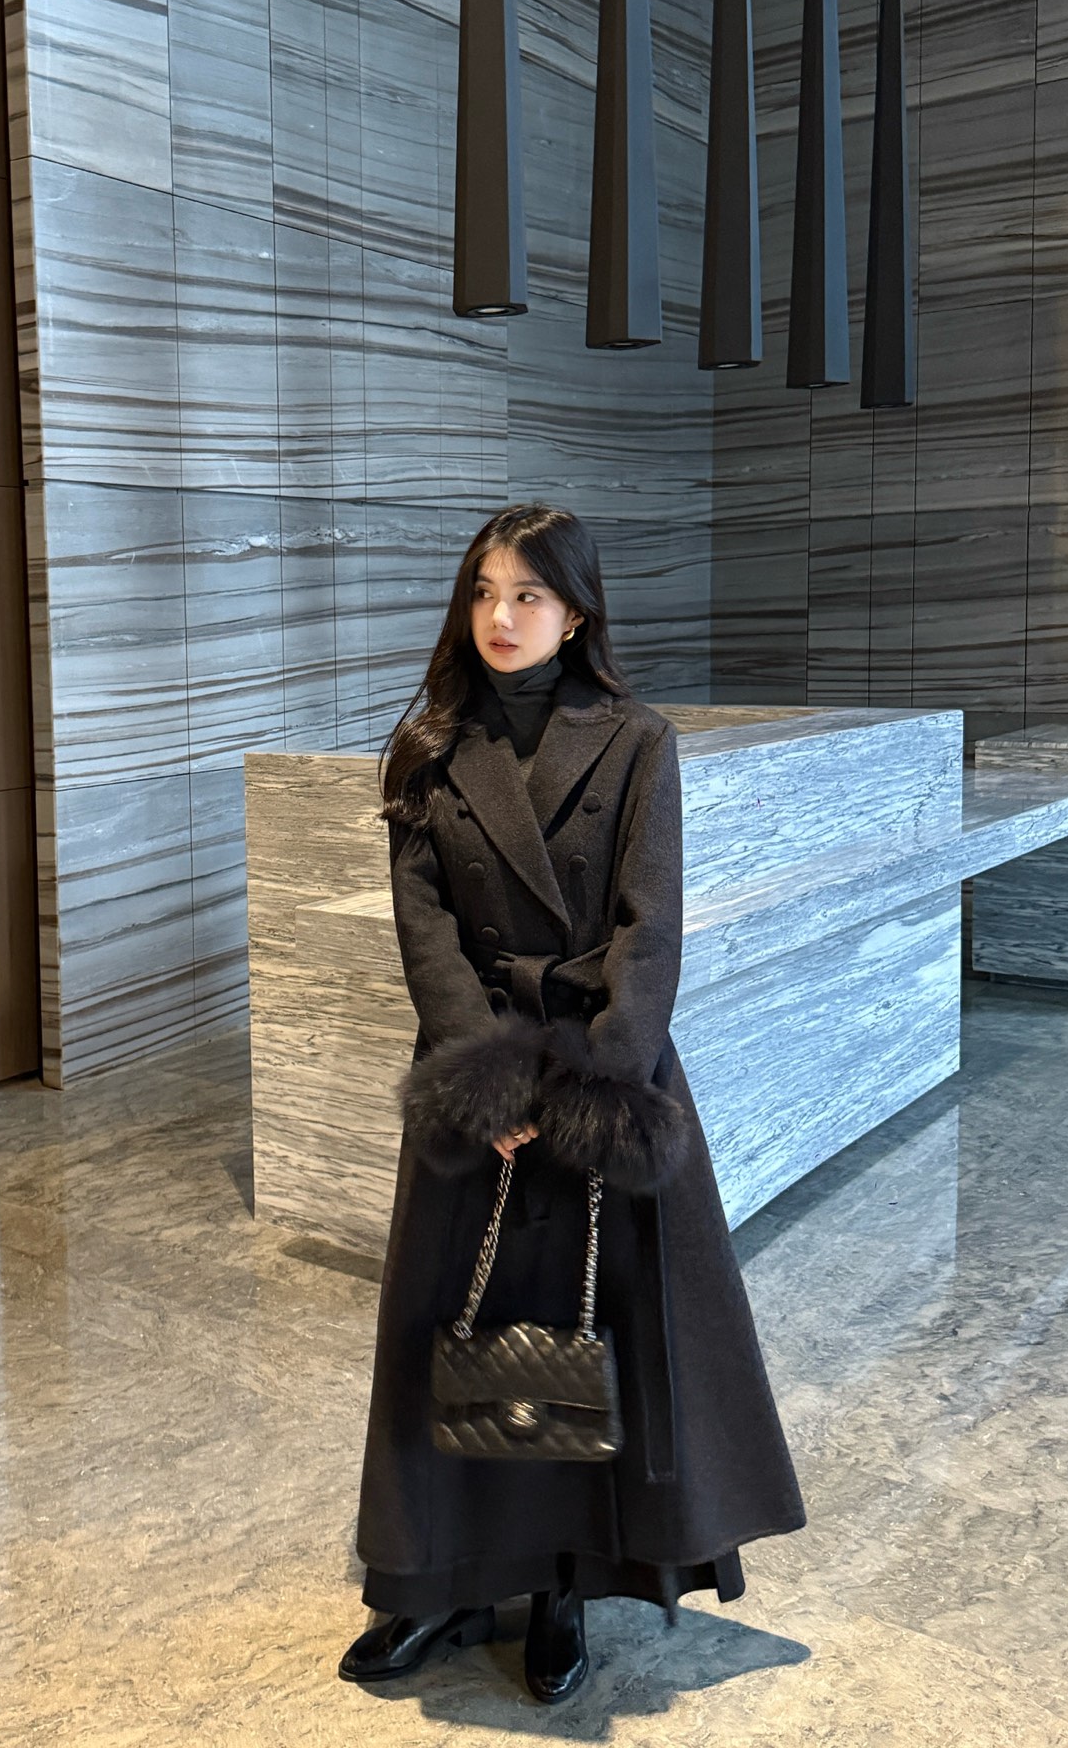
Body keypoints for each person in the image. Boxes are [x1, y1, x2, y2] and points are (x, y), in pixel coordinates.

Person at [337, 502, 806, 1704]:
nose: (501, 616)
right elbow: (424, 927)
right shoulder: (425, 745)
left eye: (529, 594)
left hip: (604, 1067)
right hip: (477, 1072)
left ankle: (564, 1587)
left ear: (578, 613)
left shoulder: (639, 740)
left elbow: (652, 926)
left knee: (589, 1327)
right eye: (484, 591)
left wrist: (598, 1083)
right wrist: (482, 1075)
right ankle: (434, 1582)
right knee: (449, 1325)